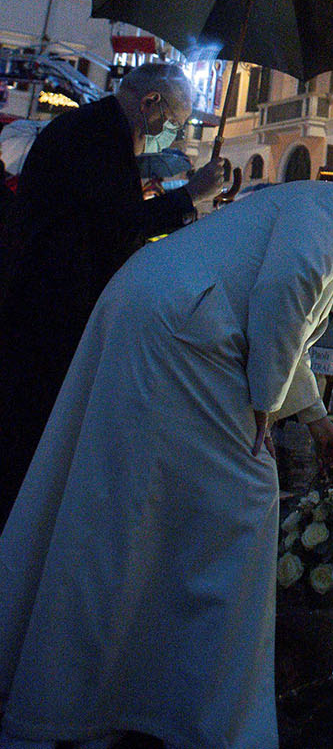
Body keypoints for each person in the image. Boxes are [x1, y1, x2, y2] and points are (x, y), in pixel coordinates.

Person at [0, 175, 333, 749]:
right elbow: (288, 288)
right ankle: (211, 718)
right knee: (245, 503)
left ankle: (107, 692)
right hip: (183, 329)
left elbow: (283, 322)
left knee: (125, 504)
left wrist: (315, 419)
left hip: (151, 307)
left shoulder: (299, 204)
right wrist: (263, 406)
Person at [0, 61, 226, 525]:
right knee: (30, 439)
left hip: (51, 301)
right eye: (175, 123)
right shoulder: (98, 136)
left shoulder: (96, 129)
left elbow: (97, 209)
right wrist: (191, 196)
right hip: (52, 310)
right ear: (150, 104)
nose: (173, 133)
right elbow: (118, 224)